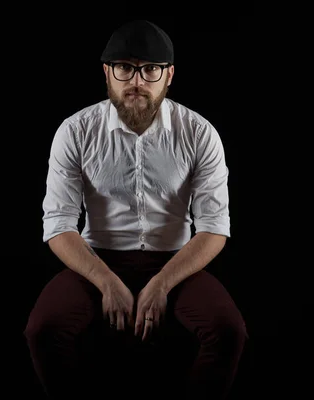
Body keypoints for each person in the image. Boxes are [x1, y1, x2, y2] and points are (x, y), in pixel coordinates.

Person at [24, 19, 249, 399]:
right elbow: (59, 225)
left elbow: (214, 228)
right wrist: (108, 282)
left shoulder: (199, 133)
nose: (137, 82)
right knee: (42, 329)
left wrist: (161, 283)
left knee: (229, 330)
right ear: (107, 73)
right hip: (98, 259)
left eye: (150, 70)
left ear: (169, 75)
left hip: (177, 261)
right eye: (125, 68)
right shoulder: (76, 131)